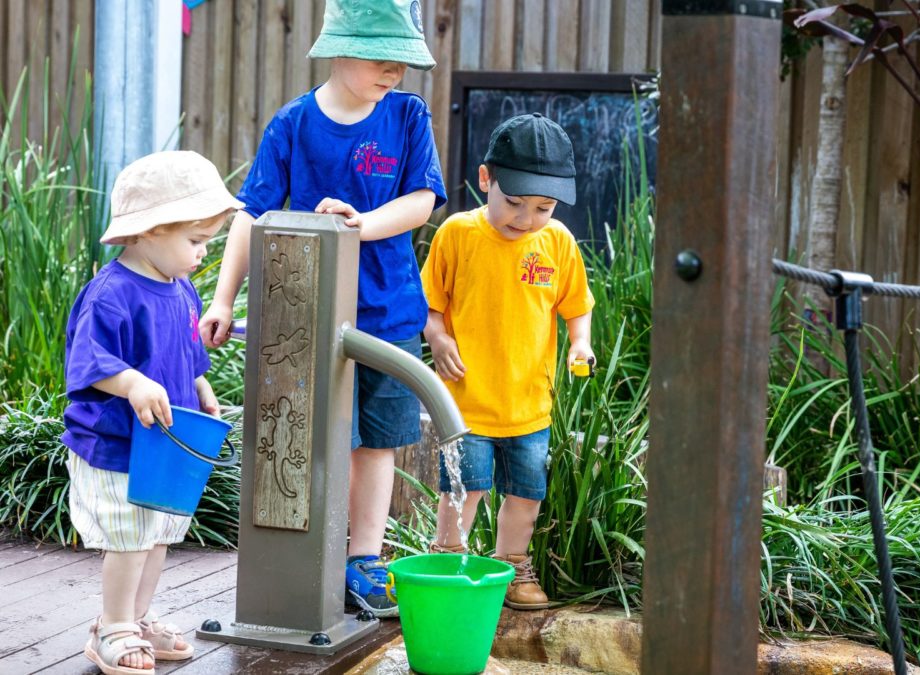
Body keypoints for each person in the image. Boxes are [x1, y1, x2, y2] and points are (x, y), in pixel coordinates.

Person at [197, 0, 445, 618]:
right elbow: (252, 215)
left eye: (403, 61)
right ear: (339, 47)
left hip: (388, 315)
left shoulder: (408, 116)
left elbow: (422, 199)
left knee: (377, 444)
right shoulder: (293, 124)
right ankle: (310, 556)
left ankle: (364, 560)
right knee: (312, 441)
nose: (395, 71)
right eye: (381, 58)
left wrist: (362, 225)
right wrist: (224, 297)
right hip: (306, 319)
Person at [63, 150, 241, 674]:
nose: (203, 253)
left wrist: (200, 382)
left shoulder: (179, 287)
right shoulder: (112, 295)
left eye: (207, 240)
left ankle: (137, 618)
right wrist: (133, 381)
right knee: (127, 538)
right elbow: (89, 363)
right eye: (194, 240)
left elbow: (183, 351)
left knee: (158, 533)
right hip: (116, 444)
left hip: (162, 443)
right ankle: (112, 625)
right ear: (147, 232)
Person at [421, 113, 595, 609]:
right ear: (485, 179)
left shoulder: (557, 242)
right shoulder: (458, 233)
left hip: (529, 405)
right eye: (514, 202)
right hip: (467, 402)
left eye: (543, 207)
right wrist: (437, 337)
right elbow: (430, 307)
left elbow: (576, 308)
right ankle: (448, 558)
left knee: (525, 496)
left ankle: (513, 566)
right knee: (465, 491)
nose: (526, 218)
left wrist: (580, 343)